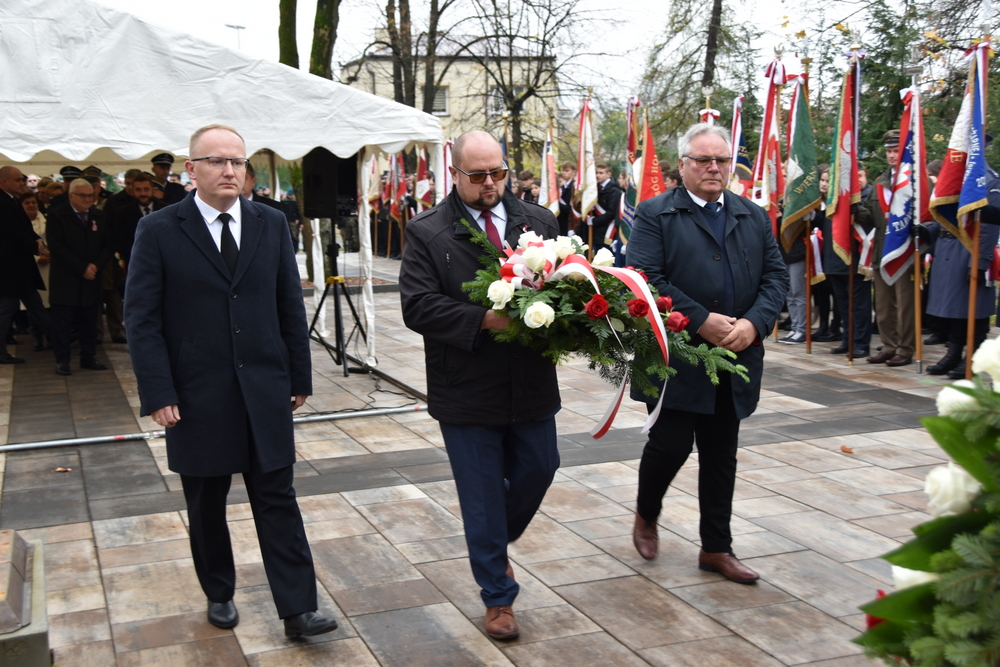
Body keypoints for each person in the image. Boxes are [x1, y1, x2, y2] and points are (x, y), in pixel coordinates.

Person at [124, 124, 337, 638]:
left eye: (237, 162)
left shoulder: (270, 222)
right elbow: (141, 319)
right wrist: (159, 392)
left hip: (264, 388)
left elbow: (289, 304)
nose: (229, 170)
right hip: (196, 395)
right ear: (190, 169)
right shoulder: (159, 229)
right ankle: (218, 591)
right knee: (206, 504)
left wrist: (299, 375)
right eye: (216, 161)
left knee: (277, 499)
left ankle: (298, 609)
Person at [399, 130, 561, 641]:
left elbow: (565, 284)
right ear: (455, 174)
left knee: (541, 467)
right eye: (477, 175)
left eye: (498, 173)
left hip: (531, 381)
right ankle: (498, 596)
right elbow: (417, 306)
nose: (490, 183)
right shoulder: (427, 231)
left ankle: (489, 540)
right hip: (465, 386)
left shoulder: (540, 222)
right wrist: (486, 319)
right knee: (483, 496)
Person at [626, 123, 787, 584]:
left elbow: (775, 276)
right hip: (676, 356)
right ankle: (647, 513)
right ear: (683, 166)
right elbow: (644, 277)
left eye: (721, 160)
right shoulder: (655, 213)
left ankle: (716, 547)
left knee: (721, 454)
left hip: (735, 355)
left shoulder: (752, 215)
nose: (714, 167)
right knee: (671, 446)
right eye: (703, 160)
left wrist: (754, 323)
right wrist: (700, 320)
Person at [46, 179, 112, 375]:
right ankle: (62, 360)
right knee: (63, 323)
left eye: (90, 195)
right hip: (66, 279)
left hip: (92, 278)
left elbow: (108, 245)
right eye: (82, 196)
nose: (87, 199)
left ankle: (88, 357)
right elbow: (57, 247)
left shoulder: (99, 216)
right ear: (71, 196)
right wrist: (82, 267)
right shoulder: (57, 215)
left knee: (90, 322)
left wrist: (96, 266)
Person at [866, 130, 915, 367]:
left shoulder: (914, 180)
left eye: (896, 151)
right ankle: (888, 346)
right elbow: (869, 215)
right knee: (883, 305)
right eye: (889, 151)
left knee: (905, 304)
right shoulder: (880, 182)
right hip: (882, 250)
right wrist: (853, 210)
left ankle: (905, 349)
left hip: (904, 250)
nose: (892, 155)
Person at [0, 166, 52, 363]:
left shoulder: (12, 200)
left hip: (19, 268)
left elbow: (24, 228)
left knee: (34, 304)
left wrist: (36, 240)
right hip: (9, 268)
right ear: (4, 182)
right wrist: (34, 245)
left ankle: (56, 336)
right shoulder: (2, 202)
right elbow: (11, 233)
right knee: (8, 308)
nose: (22, 183)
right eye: (18, 180)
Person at [826, 165, 874, 357]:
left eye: (860, 176)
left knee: (859, 305)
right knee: (844, 305)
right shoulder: (838, 196)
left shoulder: (870, 196)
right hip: (838, 259)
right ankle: (848, 340)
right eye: (854, 176)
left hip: (859, 258)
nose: (858, 180)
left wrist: (856, 209)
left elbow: (872, 220)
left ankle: (861, 343)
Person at [20, 191, 51, 349]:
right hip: (30, 267)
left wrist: (48, 254)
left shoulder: (46, 221)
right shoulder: (20, 223)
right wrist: (38, 258)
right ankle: (37, 337)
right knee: (33, 306)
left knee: (47, 304)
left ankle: (50, 337)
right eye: (27, 203)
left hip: (48, 268)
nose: (31, 205)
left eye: (33, 202)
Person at [581, 162, 622, 251]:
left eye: (601, 173)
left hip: (607, 231)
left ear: (609, 174)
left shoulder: (614, 191)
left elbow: (611, 213)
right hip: (596, 231)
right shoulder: (595, 189)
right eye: (596, 173)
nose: (597, 175)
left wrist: (593, 221)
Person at [557, 161, 576, 236]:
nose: (564, 173)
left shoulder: (574, 187)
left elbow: (571, 209)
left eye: (567, 171)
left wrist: (556, 203)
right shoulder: (562, 187)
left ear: (573, 172)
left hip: (569, 222)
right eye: (563, 171)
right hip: (560, 221)